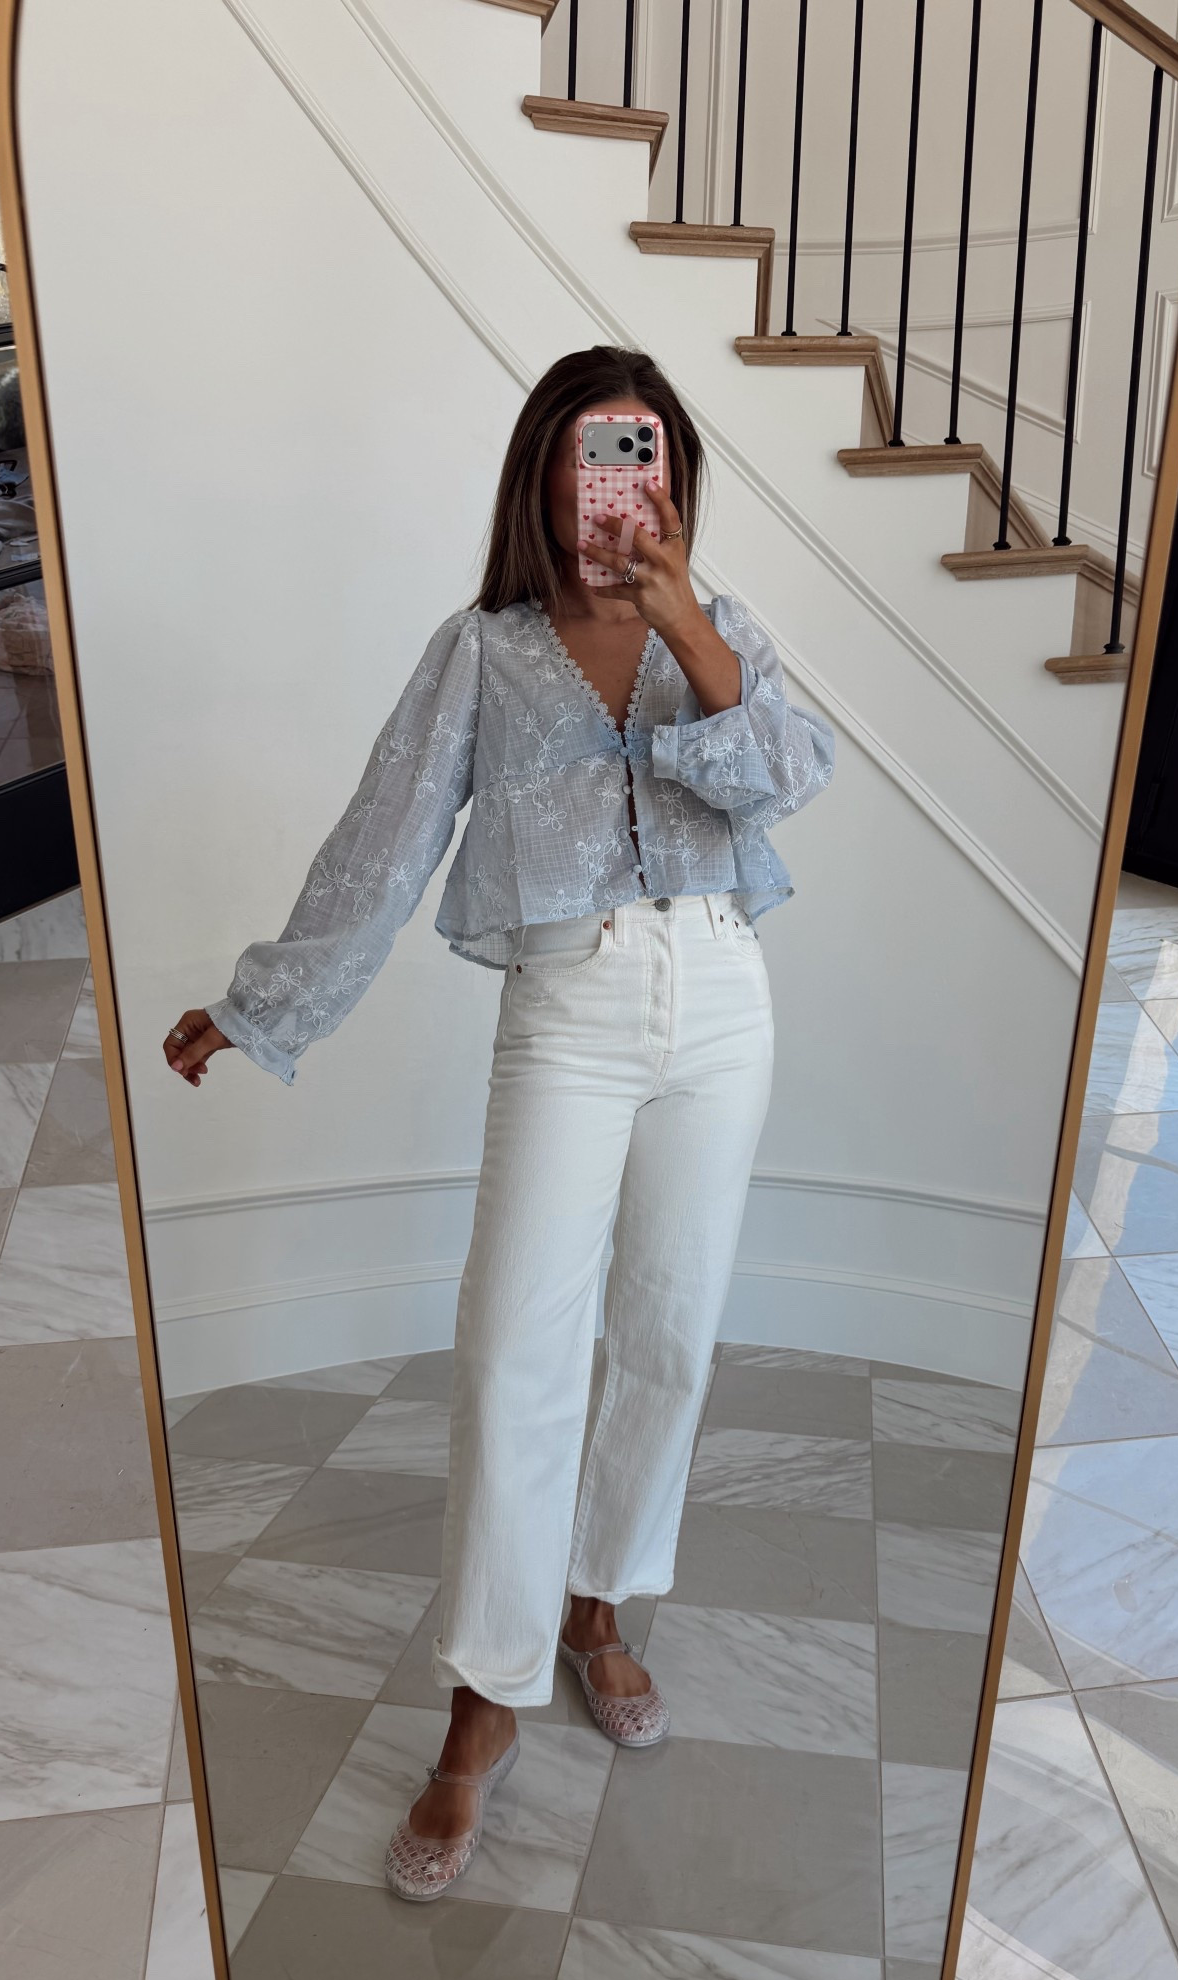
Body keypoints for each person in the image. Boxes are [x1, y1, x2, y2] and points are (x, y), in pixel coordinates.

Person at [161, 345, 835, 1900]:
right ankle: (485, 1697)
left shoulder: (723, 632)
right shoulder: (482, 652)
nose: (622, 490)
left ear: (675, 482)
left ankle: (599, 1608)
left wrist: (681, 615)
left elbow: (785, 781)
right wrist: (265, 1004)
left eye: (647, 458)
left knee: (669, 1333)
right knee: (511, 1351)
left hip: (723, 1001)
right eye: (599, 457)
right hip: (571, 1012)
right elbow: (384, 840)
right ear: (546, 474)